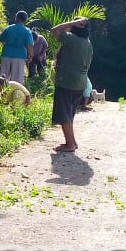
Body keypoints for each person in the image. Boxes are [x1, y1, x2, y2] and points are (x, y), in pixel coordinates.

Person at [50, 17, 93, 152]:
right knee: (70, 113)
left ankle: (70, 144)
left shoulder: (71, 39)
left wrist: (72, 23)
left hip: (67, 80)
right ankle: (72, 142)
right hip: (81, 83)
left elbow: (55, 30)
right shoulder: (88, 43)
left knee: (64, 113)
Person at [0, 11, 34, 84]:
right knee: (17, 80)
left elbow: (1, 39)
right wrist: (30, 55)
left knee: (3, 78)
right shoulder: (27, 31)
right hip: (19, 57)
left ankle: (1, 93)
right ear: (25, 20)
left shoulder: (8, 28)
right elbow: (29, 45)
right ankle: (15, 94)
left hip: (6, 55)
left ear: (16, 18)